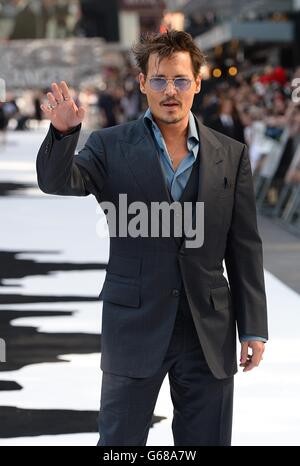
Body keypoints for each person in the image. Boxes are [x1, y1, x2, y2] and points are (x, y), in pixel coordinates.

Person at [36, 30, 268, 446]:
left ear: (197, 82)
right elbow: (58, 182)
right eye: (159, 80)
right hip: (134, 325)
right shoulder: (109, 146)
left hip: (208, 332)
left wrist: (254, 327)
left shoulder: (230, 154)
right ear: (142, 83)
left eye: (181, 80)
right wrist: (63, 135)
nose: (170, 91)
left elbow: (244, 246)